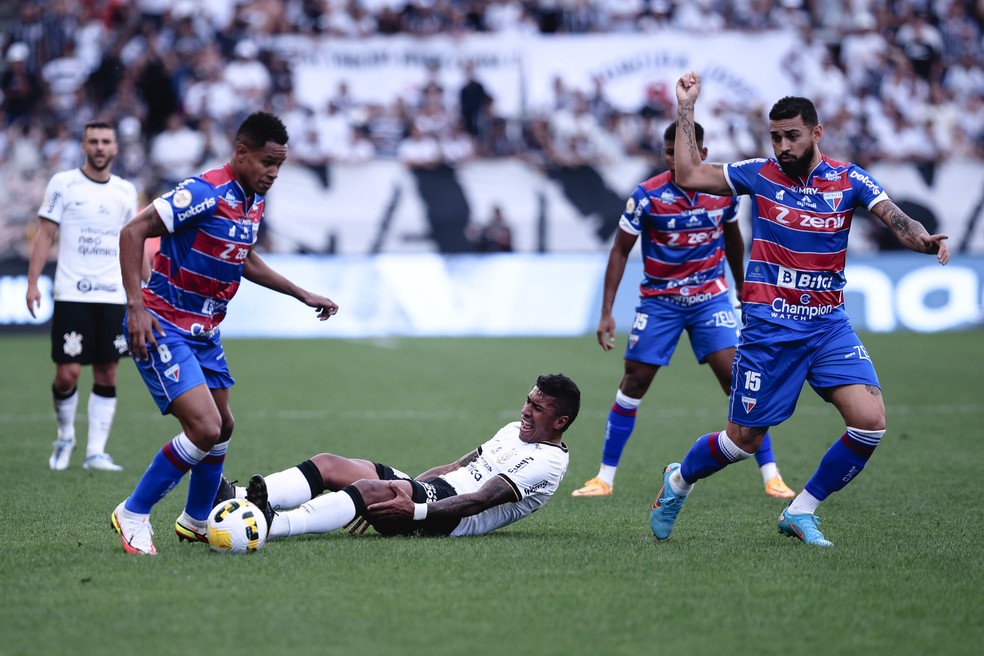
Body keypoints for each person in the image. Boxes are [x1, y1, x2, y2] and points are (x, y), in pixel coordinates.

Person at [649, 71, 950, 547]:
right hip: (769, 329)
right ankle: (678, 480)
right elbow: (688, 175)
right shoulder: (758, 174)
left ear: (816, 133)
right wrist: (686, 108)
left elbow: (895, 217)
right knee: (741, 444)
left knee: (870, 422)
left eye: (791, 135)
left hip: (828, 325)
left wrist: (923, 240)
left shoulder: (848, 178)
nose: (782, 145)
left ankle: (801, 510)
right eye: (775, 137)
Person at [110, 111, 340, 555]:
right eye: (267, 162)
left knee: (224, 426)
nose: (273, 173)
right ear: (241, 152)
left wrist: (300, 293)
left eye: (280, 165)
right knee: (204, 427)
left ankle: (196, 521)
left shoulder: (253, 198)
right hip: (163, 322)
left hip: (205, 330)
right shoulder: (203, 192)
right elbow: (132, 231)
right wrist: (135, 307)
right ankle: (134, 512)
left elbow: (243, 256)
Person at [572, 121, 794, 500]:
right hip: (660, 303)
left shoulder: (723, 195)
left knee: (740, 384)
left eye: (686, 152)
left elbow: (733, 240)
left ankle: (772, 476)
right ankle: (604, 478)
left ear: (703, 156)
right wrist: (607, 310)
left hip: (711, 300)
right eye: (670, 152)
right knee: (634, 382)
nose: (677, 159)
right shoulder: (646, 196)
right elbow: (620, 250)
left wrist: (742, 287)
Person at [218, 374, 579, 540]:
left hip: (450, 519)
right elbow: (456, 467)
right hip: (436, 491)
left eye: (538, 408)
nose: (526, 411)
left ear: (560, 421)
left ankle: (271, 524)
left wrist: (412, 510)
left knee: (368, 489)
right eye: (528, 401)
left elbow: (480, 500)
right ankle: (239, 499)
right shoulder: (512, 430)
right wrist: (405, 488)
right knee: (331, 463)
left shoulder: (548, 462)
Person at [26, 120, 139, 472]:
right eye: (94, 141)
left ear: (116, 147)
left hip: (112, 295)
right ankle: (65, 435)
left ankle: (95, 453)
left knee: (107, 372)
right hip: (72, 293)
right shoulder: (64, 183)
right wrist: (32, 283)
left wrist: (146, 290)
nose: (100, 147)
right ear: (84, 146)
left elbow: (134, 244)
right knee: (68, 374)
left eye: (107, 140)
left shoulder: (126, 191)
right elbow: (45, 235)